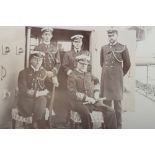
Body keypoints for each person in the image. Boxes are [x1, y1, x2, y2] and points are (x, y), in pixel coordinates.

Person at [67, 54, 117, 129]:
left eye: (86, 64)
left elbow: (97, 82)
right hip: (77, 102)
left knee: (111, 111)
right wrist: (87, 98)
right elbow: (72, 93)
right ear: (76, 63)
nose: (84, 66)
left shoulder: (88, 74)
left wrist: (96, 92)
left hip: (92, 101)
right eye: (81, 64)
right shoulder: (72, 75)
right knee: (86, 114)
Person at [100, 28, 131, 128]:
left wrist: (121, 74)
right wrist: (107, 72)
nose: (111, 38)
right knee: (106, 105)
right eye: (109, 36)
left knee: (117, 106)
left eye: (112, 35)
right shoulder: (104, 48)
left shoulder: (123, 47)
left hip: (117, 81)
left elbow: (128, 64)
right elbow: (102, 63)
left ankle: (118, 126)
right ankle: (107, 126)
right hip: (106, 79)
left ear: (116, 35)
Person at [17, 51, 49, 128]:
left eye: (40, 60)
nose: (38, 62)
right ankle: (37, 125)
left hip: (39, 101)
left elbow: (47, 89)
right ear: (30, 60)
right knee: (41, 104)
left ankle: (35, 123)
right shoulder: (23, 73)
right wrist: (38, 93)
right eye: (36, 59)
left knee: (42, 100)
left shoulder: (44, 73)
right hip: (26, 100)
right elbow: (23, 90)